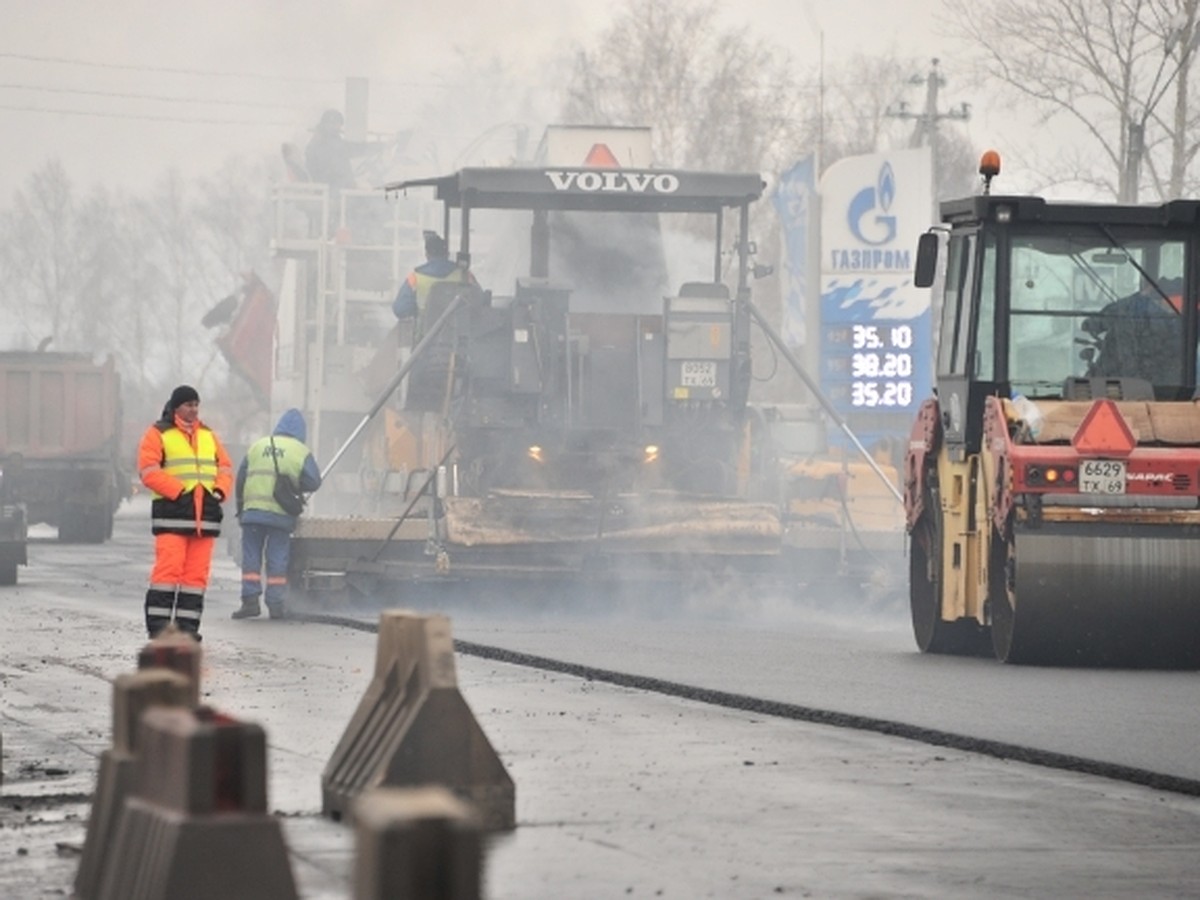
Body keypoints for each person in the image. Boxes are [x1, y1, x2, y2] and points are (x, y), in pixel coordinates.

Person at [136, 385, 233, 641]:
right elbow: (148, 471)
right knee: (167, 573)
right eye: (188, 404)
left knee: (195, 578)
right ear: (176, 406)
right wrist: (179, 493)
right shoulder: (158, 433)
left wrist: (219, 493)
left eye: (196, 404)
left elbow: (224, 468)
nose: (194, 409)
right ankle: (159, 630)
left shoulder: (208, 435)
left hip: (205, 520)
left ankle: (187, 631)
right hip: (172, 516)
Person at [231, 408, 322, 620]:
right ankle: (275, 605)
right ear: (301, 432)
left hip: (252, 513)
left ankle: (250, 602)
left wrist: (240, 507)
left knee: (251, 558)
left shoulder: (258, 445)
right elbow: (314, 482)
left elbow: (241, 478)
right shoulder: (300, 451)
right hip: (281, 515)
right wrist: (295, 485)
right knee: (277, 559)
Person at [391, 230, 477, 335]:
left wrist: (417, 311)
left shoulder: (415, 278)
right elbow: (480, 301)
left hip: (425, 339)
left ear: (427, 254)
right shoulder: (465, 275)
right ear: (447, 254)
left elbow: (400, 309)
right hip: (461, 339)